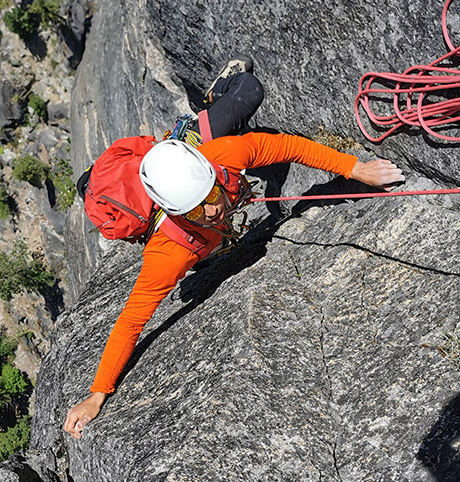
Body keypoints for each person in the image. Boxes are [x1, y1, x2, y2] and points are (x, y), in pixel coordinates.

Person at [64, 56, 404, 439]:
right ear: (177, 213)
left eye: (212, 195)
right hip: (170, 193)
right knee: (201, 255)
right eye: (198, 209)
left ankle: (215, 95)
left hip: (186, 151)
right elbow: (130, 322)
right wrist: (97, 395)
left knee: (249, 90)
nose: (213, 209)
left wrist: (356, 169)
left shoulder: (220, 157)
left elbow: (288, 147)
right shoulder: (169, 253)